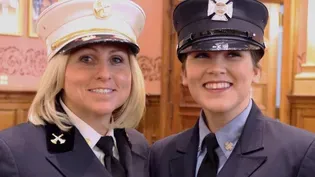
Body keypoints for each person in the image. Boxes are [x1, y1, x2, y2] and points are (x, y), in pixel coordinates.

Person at [149, 0, 315, 177]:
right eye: (202, 55)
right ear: (183, 74)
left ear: (256, 71)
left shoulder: (300, 153)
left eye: (233, 54)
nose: (216, 69)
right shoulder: (161, 155)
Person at [0, 0, 149, 176]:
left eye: (116, 59)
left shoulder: (138, 146)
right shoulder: (14, 152)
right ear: (59, 73)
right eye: (87, 59)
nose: (105, 74)